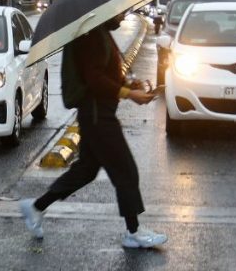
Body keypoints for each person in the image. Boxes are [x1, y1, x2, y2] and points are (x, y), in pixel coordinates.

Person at [19, 13, 168, 249]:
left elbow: (105, 75)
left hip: (97, 113)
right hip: (98, 115)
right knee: (125, 170)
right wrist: (129, 94)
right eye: (120, 11)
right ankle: (134, 232)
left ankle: (36, 207)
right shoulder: (91, 36)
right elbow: (95, 79)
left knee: (87, 170)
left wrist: (131, 86)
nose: (123, 15)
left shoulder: (100, 33)